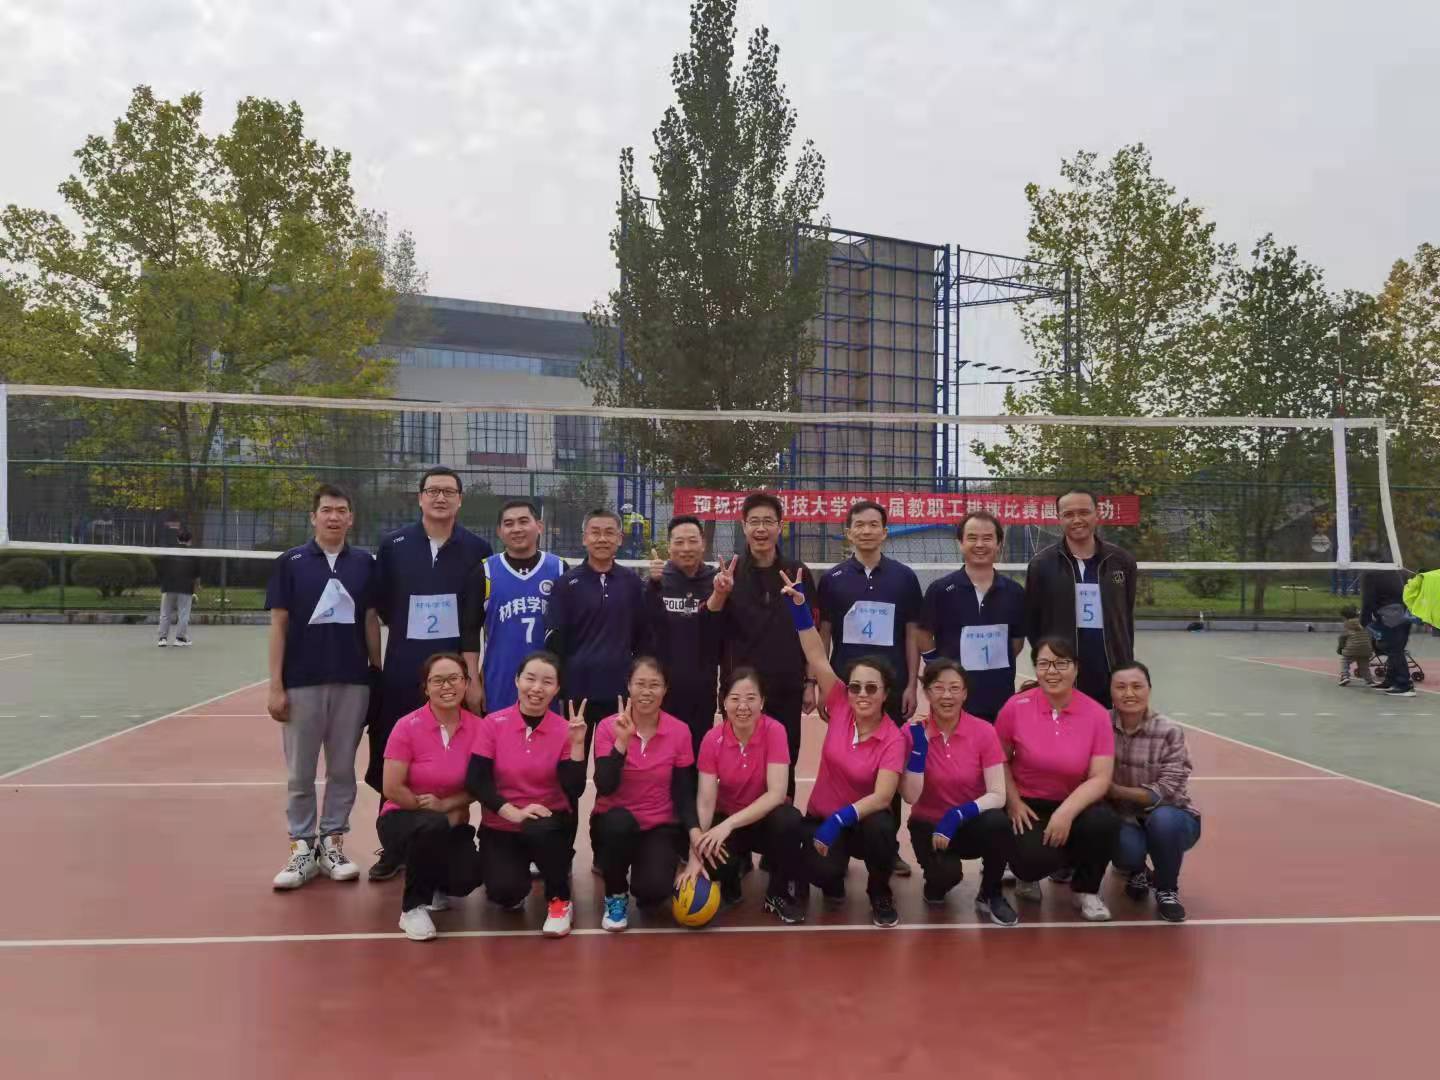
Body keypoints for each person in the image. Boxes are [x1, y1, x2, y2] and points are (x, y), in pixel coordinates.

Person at [367, 467, 493, 881]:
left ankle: (453, 841)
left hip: (455, 675)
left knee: (457, 758)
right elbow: (384, 606)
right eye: (433, 491)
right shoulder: (394, 545)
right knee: (393, 755)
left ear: (460, 499)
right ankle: (393, 846)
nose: (440, 498)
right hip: (404, 667)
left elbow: (477, 616)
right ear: (420, 497)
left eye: (448, 491)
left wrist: (471, 678)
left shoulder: (478, 549)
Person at [265, 485, 381, 889]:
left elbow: (370, 620)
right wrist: (276, 685)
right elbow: (278, 624)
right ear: (313, 517)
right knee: (300, 771)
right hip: (302, 682)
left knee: (343, 768)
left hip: (352, 681)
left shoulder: (365, 563)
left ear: (351, 518)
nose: (334, 517)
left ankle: (333, 843)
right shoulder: (291, 562)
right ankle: (302, 847)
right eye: (327, 510)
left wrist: (376, 672)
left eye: (341, 510)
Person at [781, 570, 906, 928]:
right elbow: (816, 654)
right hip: (822, 816)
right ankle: (823, 881)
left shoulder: (893, 737)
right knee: (825, 875)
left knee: (883, 828)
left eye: (871, 688)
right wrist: (800, 609)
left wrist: (840, 819)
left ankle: (879, 890)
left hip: (861, 823)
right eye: (855, 687)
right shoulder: (839, 704)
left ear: (885, 693)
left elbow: (883, 797)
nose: (862, 694)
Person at [817, 499, 923, 876]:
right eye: (859, 525)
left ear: (885, 531)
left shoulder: (904, 578)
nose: (866, 530)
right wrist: (820, 684)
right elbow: (824, 634)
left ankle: (887, 848)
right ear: (848, 532)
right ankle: (841, 841)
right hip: (848, 691)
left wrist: (911, 684)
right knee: (843, 764)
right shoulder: (832, 579)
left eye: (873, 524)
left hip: (888, 689)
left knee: (888, 768)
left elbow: (911, 634)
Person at [996, 636, 1120, 921]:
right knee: (1031, 861)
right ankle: (1027, 875)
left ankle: (1086, 890)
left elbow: (1100, 777)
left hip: (1074, 802)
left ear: (1076, 668)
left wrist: (1066, 812)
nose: (1052, 671)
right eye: (1044, 664)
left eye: (1061, 663)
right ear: (1035, 669)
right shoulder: (1015, 707)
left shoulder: (1096, 714)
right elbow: (998, 760)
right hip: (1028, 804)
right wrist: (1013, 802)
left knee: (1105, 823)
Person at [465, 651, 587, 938]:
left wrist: (578, 745)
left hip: (547, 823)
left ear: (557, 688)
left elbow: (575, 789)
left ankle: (559, 901)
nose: (537, 688)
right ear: (517, 680)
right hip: (502, 823)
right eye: (530, 679)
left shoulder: (565, 729)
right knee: (505, 894)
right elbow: (476, 780)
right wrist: (511, 811)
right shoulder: (492, 723)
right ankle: (516, 871)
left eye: (547, 682)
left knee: (540, 829)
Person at [710, 492, 818, 798]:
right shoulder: (729, 574)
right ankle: (738, 823)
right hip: (740, 691)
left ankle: (782, 821)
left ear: (780, 526)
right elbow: (711, 626)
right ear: (744, 526)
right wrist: (720, 594)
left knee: (785, 762)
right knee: (737, 764)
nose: (761, 528)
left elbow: (811, 632)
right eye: (754, 521)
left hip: (786, 687)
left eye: (768, 521)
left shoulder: (797, 573)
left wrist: (810, 682)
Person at [899, 660, 1017, 925]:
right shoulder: (910, 732)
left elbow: (998, 794)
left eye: (954, 688)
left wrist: (956, 815)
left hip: (969, 822)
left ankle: (991, 893)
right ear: (926, 692)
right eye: (938, 688)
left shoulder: (984, 731)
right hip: (929, 825)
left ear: (965, 693)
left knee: (998, 823)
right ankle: (935, 883)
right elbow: (910, 797)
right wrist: (919, 749)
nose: (947, 695)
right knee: (945, 877)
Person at [377, 653, 485, 942]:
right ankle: (412, 908)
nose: (447, 686)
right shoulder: (406, 726)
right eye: (438, 680)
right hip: (402, 817)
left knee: (468, 877)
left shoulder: (480, 728)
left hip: (451, 818)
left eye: (454, 679)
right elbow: (392, 787)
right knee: (431, 826)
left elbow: (482, 784)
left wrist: (447, 805)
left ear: (466, 683)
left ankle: (435, 881)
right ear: (425, 688)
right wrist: (432, 812)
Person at [689, 668, 807, 924]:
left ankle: (777, 893)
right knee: (707, 851)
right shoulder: (712, 739)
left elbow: (776, 794)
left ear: (762, 702)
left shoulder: (775, 731)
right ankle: (730, 881)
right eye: (735, 698)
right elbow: (706, 803)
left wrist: (729, 825)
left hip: (764, 822)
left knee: (790, 820)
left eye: (751, 698)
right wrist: (694, 857)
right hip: (729, 820)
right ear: (724, 702)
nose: (743, 706)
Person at [591, 658, 699, 932]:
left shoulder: (679, 731)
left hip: (657, 825)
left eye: (654, 685)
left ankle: (645, 874)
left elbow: (684, 790)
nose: (646, 691)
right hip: (613, 824)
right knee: (617, 823)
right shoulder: (607, 727)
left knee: (653, 893)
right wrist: (622, 742)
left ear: (665, 689)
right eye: (640, 683)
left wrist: (694, 831)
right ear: (628, 685)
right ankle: (615, 895)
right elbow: (605, 785)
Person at [544, 508, 651, 760]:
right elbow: (555, 641)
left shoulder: (633, 583)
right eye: (595, 532)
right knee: (573, 764)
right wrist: (560, 684)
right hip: (576, 691)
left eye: (609, 533)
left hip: (619, 691)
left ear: (620, 539)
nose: (602, 539)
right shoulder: (566, 584)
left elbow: (643, 637)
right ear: (584, 538)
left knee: (612, 766)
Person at [1106, 661, 1201, 923]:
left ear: (1149, 689)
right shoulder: (1099, 724)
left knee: (1164, 820)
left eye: (1137, 686)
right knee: (1124, 848)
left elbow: (1166, 791)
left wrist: (1114, 790)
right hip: (1124, 818)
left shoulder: (1169, 731)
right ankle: (1137, 870)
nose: (1129, 693)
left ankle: (1167, 889)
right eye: (1120, 687)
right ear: (1110, 691)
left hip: (1171, 815)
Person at [1024, 489, 1137, 708]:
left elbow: (1125, 613)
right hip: (1063, 672)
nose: (1077, 520)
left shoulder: (1122, 561)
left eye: (1084, 512)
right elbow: (1033, 622)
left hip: (1111, 670)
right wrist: (1051, 661)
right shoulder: (1041, 565)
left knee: (1110, 727)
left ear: (1097, 513)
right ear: (1059, 518)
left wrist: (1124, 660)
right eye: (1068, 514)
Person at [918, 510, 1026, 723]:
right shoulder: (940, 590)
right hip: (952, 699)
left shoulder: (1014, 592)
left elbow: (1017, 642)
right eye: (972, 538)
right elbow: (923, 634)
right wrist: (936, 666)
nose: (980, 544)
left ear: (999, 543)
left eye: (987, 538)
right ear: (960, 543)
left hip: (999, 696)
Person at [460, 499, 566, 714]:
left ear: (539, 526)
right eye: (508, 524)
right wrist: (472, 681)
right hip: (500, 678)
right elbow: (469, 632)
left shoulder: (559, 568)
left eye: (523, 521)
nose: (516, 529)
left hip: (546, 680)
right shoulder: (485, 572)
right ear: (499, 532)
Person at [645, 515, 724, 756]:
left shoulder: (717, 582)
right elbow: (644, 627)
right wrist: (652, 585)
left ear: (703, 544)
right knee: (663, 755)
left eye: (692, 541)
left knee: (698, 753)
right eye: (679, 542)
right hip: (663, 689)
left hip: (703, 687)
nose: (686, 548)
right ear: (669, 547)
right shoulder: (657, 581)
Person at [1362, 563, 1416, 697]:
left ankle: (1404, 685)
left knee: (1394, 649)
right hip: (1406, 613)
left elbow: (1368, 599)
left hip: (1389, 614)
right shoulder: (1401, 571)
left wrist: (1365, 621)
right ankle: (1391, 680)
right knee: (1395, 648)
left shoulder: (1371, 574)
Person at [156, 530, 201, 647]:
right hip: (185, 588)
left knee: (165, 613)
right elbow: (197, 576)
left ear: (177, 539)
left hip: (168, 587)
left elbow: (161, 570)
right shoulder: (193, 555)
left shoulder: (169, 552)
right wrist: (196, 588)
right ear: (190, 541)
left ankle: (162, 639)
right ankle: (180, 639)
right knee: (183, 614)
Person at [1336, 605, 1374, 687]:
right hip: (1366, 648)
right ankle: (1369, 680)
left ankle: (1345, 676)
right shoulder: (1364, 623)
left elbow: (1342, 637)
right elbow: (1371, 635)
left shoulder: (1347, 625)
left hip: (1352, 648)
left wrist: (1340, 648)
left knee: (1345, 661)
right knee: (1364, 666)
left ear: (1344, 617)